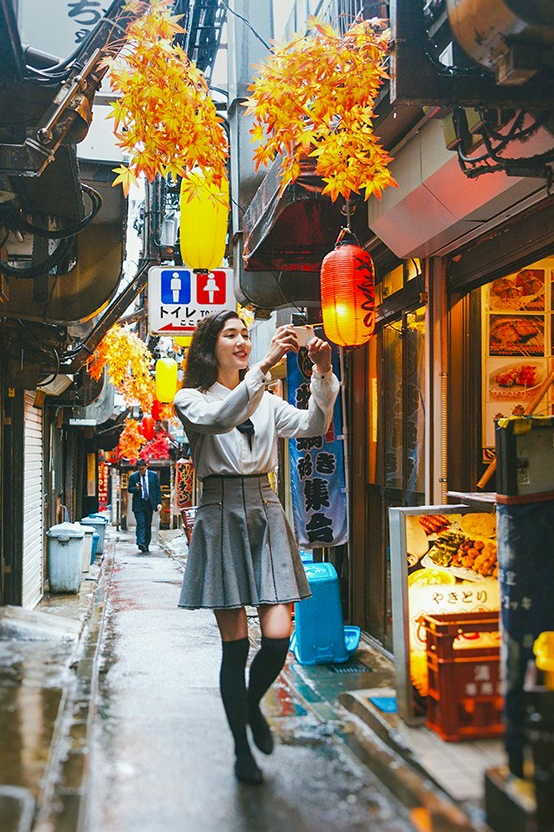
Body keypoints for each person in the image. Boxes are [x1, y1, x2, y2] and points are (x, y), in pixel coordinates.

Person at [173, 311, 337, 785]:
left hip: (265, 509)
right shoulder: (190, 399)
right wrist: (263, 368)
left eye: (246, 334)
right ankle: (241, 750)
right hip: (220, 511)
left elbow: (313, 424)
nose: (242, 341)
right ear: (211, 346)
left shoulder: (267, 399)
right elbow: (222, 418)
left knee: (279, 636)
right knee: (235, 646)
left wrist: (323, 372)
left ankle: (249, 706)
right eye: (231, 335)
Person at [126, 460, 161, 553]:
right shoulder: (133, 476)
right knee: (141, 523)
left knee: (147, 524)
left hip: (149, 503)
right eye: (139, 469)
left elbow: (157, 490)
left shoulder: (153, 475)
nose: (141, 471)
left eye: (142, 469)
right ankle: (141, 542)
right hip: (139, 503)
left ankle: (146, 544)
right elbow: (129, 489)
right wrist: (136, 488)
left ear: (146, 466)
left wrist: (159, 503)